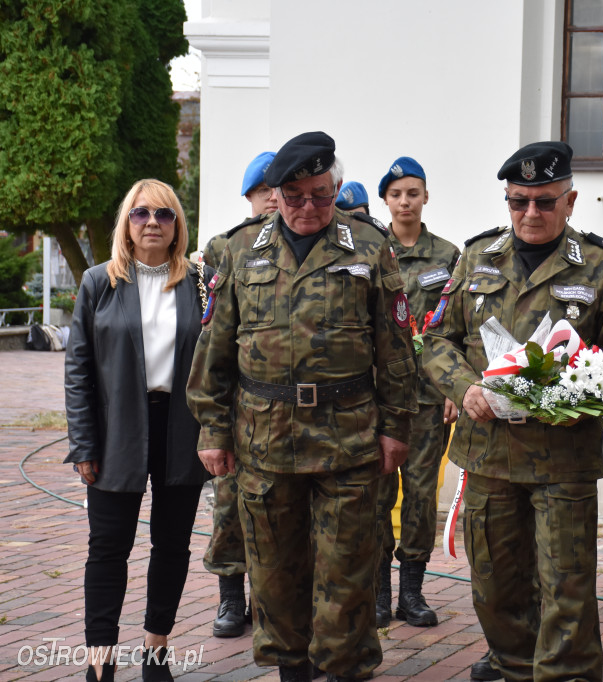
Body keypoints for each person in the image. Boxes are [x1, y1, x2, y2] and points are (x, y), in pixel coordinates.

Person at [187, 131, 418, 682]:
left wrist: (396, 427)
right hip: (265, 444)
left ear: (334, 188)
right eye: (295, 196)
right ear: (276, 194)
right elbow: (214, 350)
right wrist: (213, 431)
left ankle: (345, 669)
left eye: (320, 194)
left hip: (350, 440)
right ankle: (290, 669)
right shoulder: (238, 250)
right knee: (273, 576)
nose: (309, 207)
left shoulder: (368, 246)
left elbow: (396, 346)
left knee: (348, 574)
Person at [422, 141, 603, 682]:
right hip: (490, 452)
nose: (530, 214)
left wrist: (578, 381)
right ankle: (516, 665)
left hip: (561, 455)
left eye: (545, 202)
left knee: (566, 582)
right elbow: (435, 341)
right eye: (518, 201)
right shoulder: (477, 258)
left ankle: (565, 674)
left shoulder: (598, 264)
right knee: (495, 581)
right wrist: (465, 386)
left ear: (570, 201)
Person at [64, 179, 210, 682]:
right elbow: (78, 371)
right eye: (141, 213)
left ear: (177, 227)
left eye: (164, 215)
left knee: (172, 545)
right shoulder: (98, 283)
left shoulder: (198, 282)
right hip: (117, 430)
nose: (153, 222)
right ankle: (100, 661)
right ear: (126, 223)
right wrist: (83, 443)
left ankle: (155, 651)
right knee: (108, 548)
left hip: (181, 428)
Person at [373, 157, 461, 628]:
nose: (404, 201)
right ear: (385, 200)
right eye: (396, 194)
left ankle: (412, 591)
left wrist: (455, 386)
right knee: (377, 493)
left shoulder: (448, 256)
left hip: (428, 398)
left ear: (426, 196)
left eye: (413, 192)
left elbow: (458, 328)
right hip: (379, 398)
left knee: (422, 494)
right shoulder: (370, 250)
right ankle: (378, 593)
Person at [199, 150, 278, 639]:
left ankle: (266, 600)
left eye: (278, 189)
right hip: (237, 408)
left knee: (275, 513)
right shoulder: (223, 250)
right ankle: (231, 599)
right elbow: (213, 336)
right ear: (249, 196)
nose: (272, 197)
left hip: (280, 413)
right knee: (228, 506)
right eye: (263, 190)